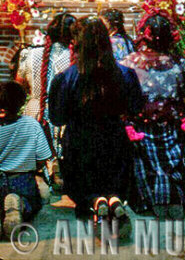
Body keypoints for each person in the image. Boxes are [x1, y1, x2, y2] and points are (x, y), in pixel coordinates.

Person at [49, 17, 143, 232]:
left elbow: (57, 118)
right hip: (115, 143)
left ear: (77, 43)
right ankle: (114, 200)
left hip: (80, 145)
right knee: (114, 176)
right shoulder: (126, 74)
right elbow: (136, 108)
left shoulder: (65, 78)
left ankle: (95, 201)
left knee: (84, 179)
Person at [121, 12, 185, 219]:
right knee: (173, 157)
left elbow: (122, 97)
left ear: (144, 34)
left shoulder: (128, 63)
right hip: (171, 127)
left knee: (146, 158)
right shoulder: (179, 62)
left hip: (140, 127)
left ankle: (153, 197)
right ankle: (175, 195)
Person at [16, 12, 76, 156]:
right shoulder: (74, 58)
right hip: (62, 118)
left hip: (34, 115)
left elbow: (19, 85)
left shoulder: (30, 54)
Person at [0, 81, 52, 238]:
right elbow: (43, 158)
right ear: (21, 103)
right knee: (34, 203)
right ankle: (21, 205)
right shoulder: (31, 124)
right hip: (21, 179)